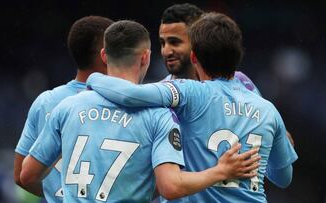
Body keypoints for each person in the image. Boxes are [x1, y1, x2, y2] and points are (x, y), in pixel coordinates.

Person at [20, 20, 260, 202]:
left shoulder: (67, 107)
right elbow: (171, 187)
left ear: (105, 56)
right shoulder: (159, 116)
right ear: (145, 58)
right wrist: (219, 171)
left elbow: (27, 175)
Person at [85, 12, 298, 202]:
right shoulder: (267, 109)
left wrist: (93, 77)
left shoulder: (191, 93)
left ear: (194, 57)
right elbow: (283, 178)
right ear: (238, 55)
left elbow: (129, 94)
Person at [159, 3, 294, 146]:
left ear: (197, 41)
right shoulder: (161, 96)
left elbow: (281, 138)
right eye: (162, 43)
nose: (166, 51)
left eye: (175, 42)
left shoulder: (240, 81)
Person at [14, 16, 113, 202]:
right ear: (105, 54)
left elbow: (20, 175)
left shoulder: (46, 101)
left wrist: (59, 196)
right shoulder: (123, 102)